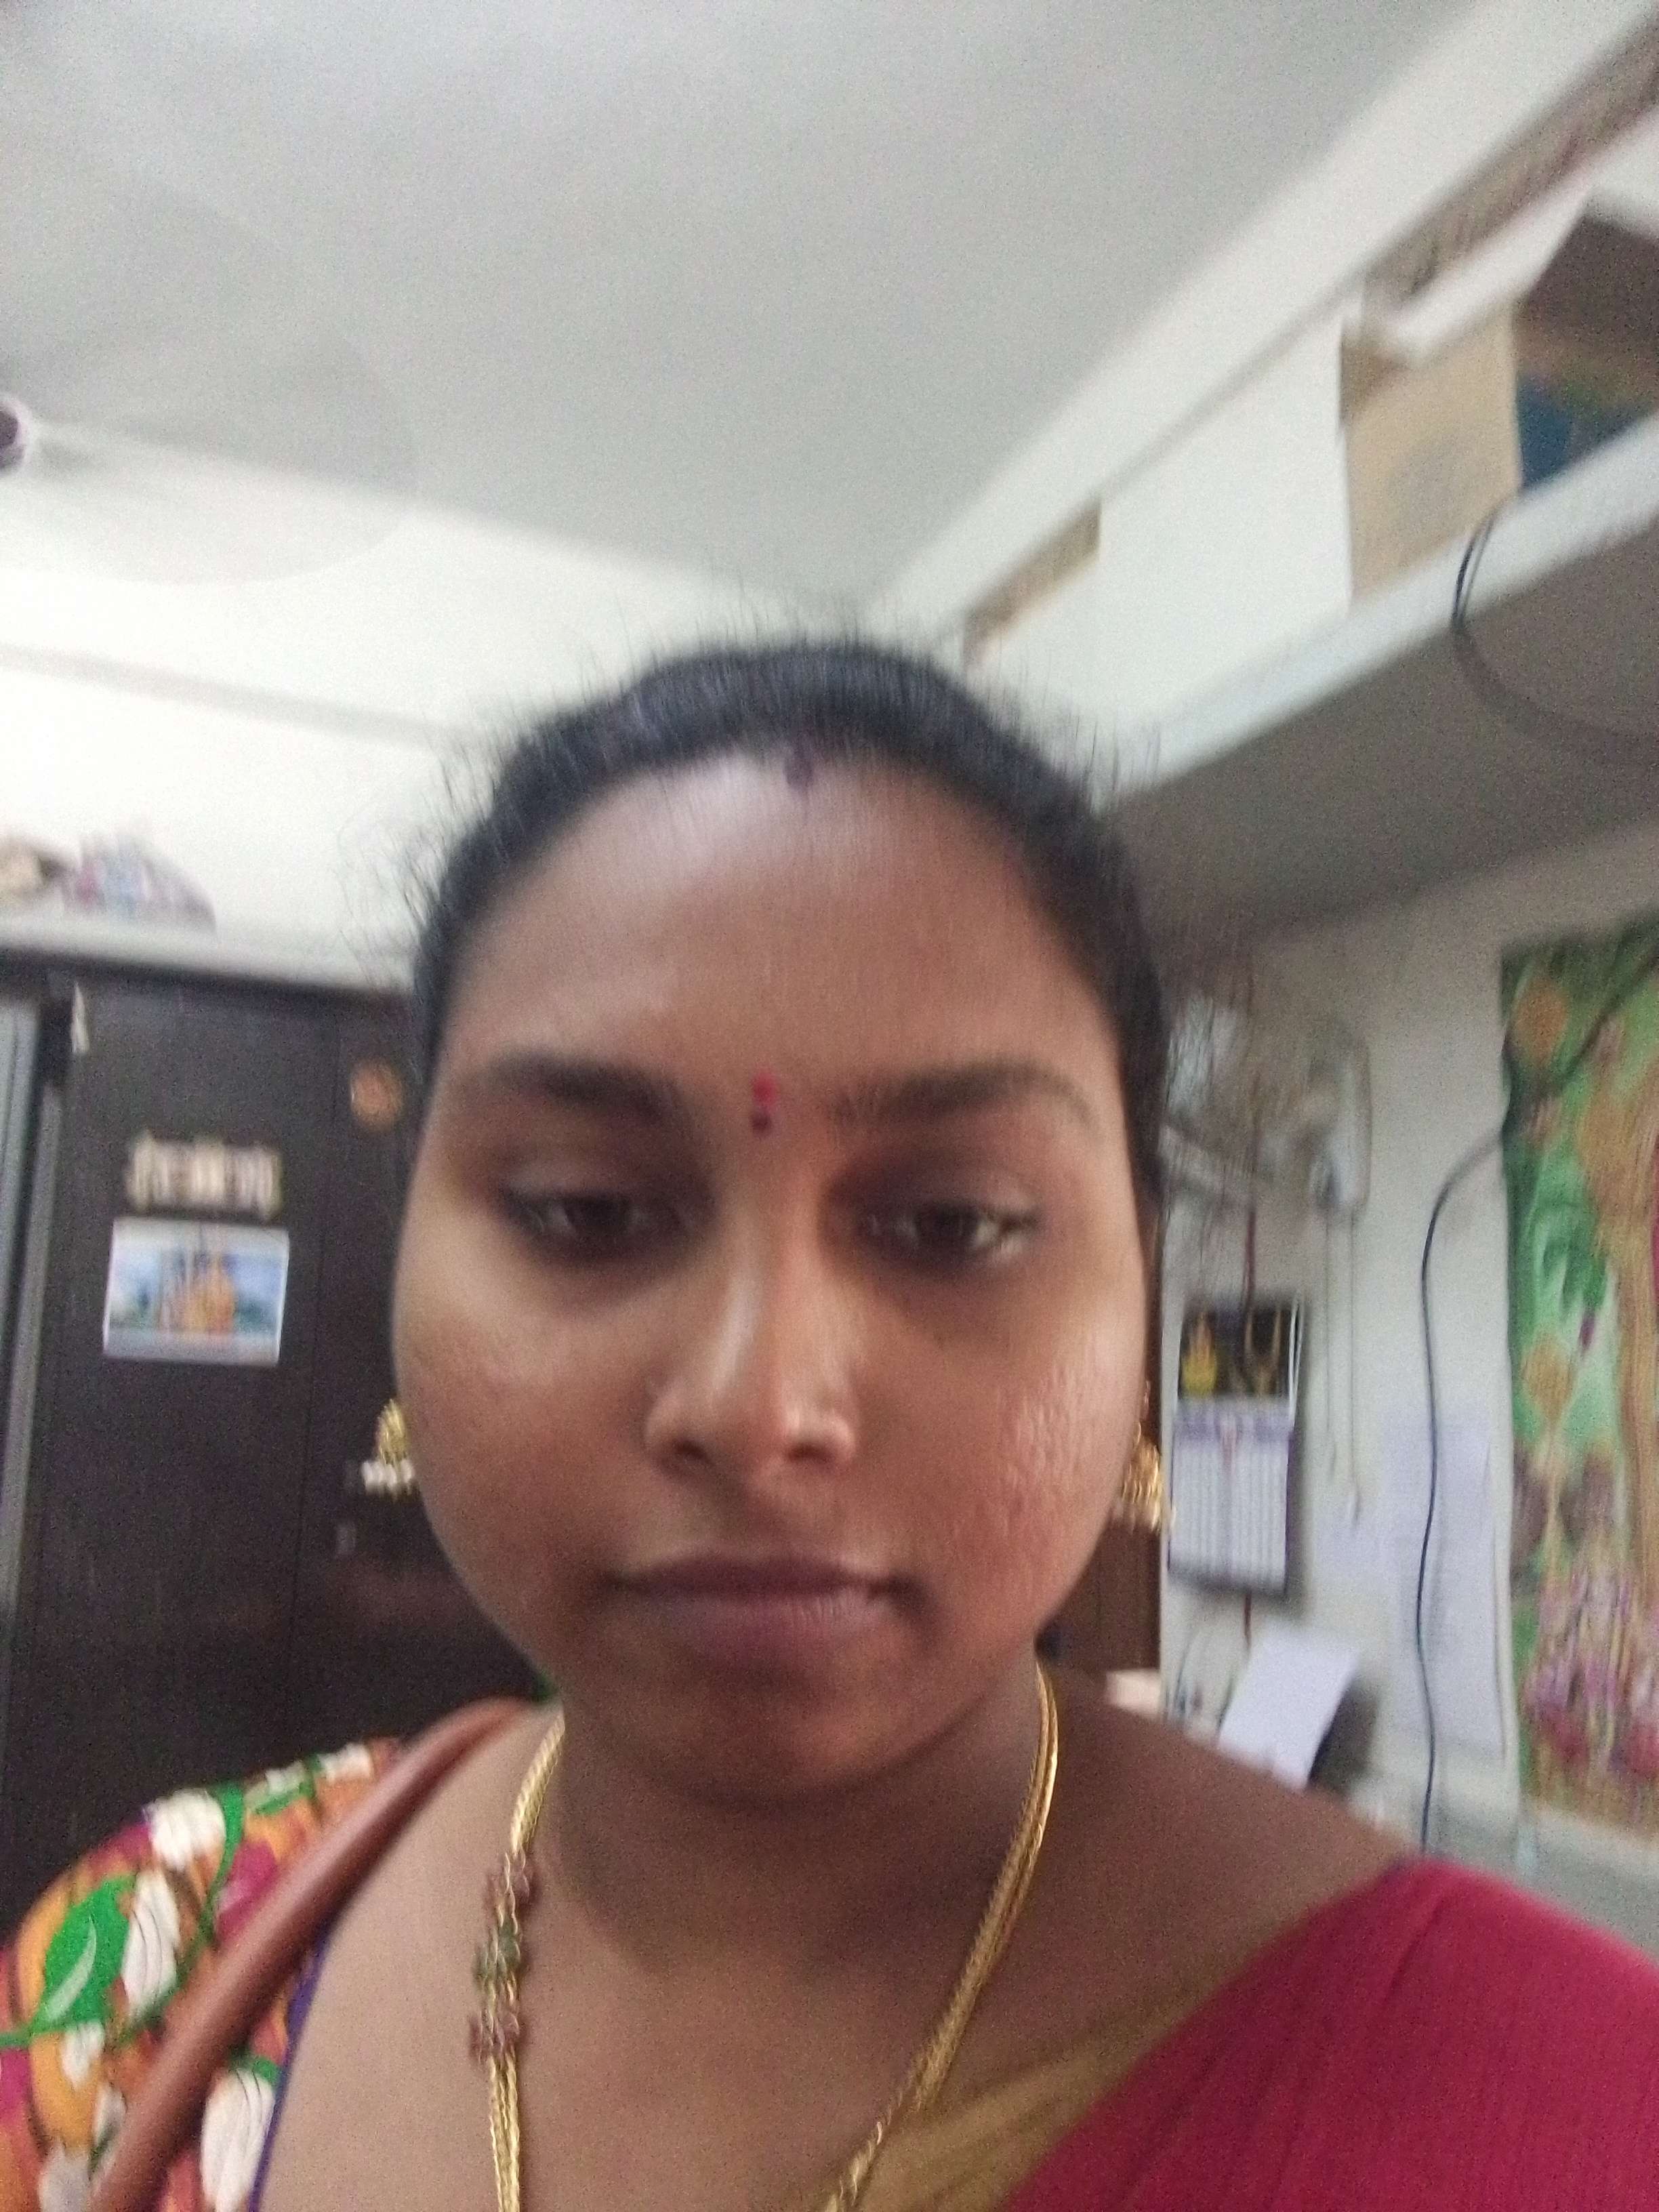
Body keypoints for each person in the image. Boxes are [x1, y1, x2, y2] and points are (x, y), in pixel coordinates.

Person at [3, 641, 1656, 2212]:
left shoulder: (1574, 2112)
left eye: (950, 1225)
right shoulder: (152, 1968)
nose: (758, 1407)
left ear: (1142, 1281)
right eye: (586, 1210)